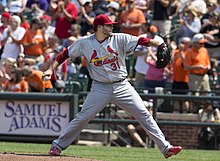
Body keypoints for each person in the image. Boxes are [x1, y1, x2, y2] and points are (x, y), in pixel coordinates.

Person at [42, 14, 182, 158]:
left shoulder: (119, 38)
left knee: (144, 115)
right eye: (108, 25)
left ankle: (166, 148)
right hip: (100, 87)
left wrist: (159, 44)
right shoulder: (84, 43)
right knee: (83, 117)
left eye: (111, 24)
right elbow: (64, 54)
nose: (112, 26)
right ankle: (57, 145)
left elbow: (141, 40)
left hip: (122, 86)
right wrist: (50, 69)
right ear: (99, 27)